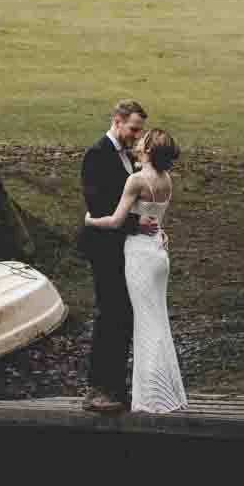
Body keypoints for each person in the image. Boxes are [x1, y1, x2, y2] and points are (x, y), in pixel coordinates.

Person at [85, 128, 187, 414]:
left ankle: (152, 395)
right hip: (158, 254)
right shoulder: (166, 180)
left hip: (140, 255)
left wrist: (90, 221)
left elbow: (117, 221)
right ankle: (163, 389)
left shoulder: (137, 180)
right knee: (156, 319)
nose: (139, 141)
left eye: (144, 140)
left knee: (144, 322)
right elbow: (155, 217)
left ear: (149, 150)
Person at [79, 100, 159, 413]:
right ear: (117, 121)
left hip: (125, 248)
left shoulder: (129, 157)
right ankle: (98, 387)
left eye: (139, 131)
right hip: (104, 246)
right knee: (110, 313)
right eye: (133, 129)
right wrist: (135, 223)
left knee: (124, 315)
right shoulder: (97, 155)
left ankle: (116, 384)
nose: (136, 136)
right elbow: (97, 204)